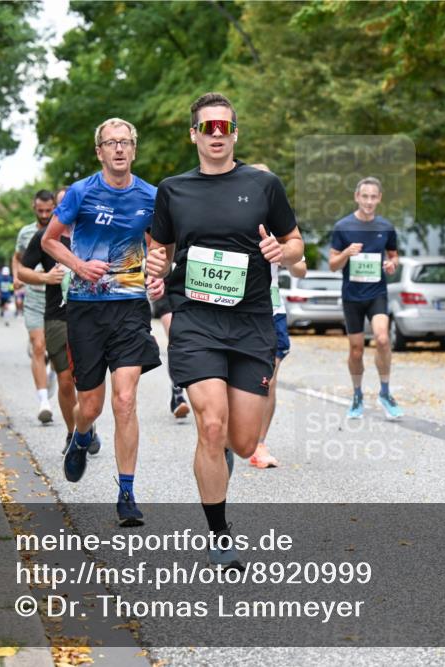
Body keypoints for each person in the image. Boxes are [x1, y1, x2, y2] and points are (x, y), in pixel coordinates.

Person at [147, 93, 303, 568]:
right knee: (210, 423)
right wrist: (155, 262)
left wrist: (283, 252)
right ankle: (219, 533)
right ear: (193, 134)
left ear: (235, 133)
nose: (217, 135)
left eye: (225, 128)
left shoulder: (263, 184)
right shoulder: (173, 190)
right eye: (207, 127)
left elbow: (296, 244)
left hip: (252, 321)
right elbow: (160, 251)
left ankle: (223, 456)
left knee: (243, 441)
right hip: (196, 320)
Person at [42, 118, 162, 528]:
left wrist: (159, 271)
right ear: (99, 152)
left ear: (134, 149)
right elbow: (50, 240)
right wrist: (78, 265)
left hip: (129, 306)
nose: (118, 149)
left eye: (125, 142)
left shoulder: (151, 196)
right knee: (90, 404)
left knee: (125, 400)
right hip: (86, 308)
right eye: (110, 143)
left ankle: (126, 492)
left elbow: (159, 246)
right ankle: (80, 436)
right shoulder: (80, 192)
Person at [18, 186, 103, 458]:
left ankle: (86, 425)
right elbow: (22, 271)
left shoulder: (93, 233)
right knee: (66, 380)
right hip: (57, 317)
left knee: (87, 380)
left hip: (91, 316)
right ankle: (72, 432)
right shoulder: (45, 237)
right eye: (62, 205)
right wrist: (45, 278)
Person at [247, 163, 308, 469]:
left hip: (271, 309)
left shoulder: (279, 223)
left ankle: (259, 444)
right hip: (236, 312)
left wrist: (283, 254)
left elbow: (301, 268)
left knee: (268, 380)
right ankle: (233, 434)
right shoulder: (231, 217)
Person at [328, 176, 403, 420]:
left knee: (382, 339)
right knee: (357, 350)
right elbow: (332, 264)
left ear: (379, 198)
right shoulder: (343, 227)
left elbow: (394, 256)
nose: (369, 201)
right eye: (365, 196)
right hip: (352, 296)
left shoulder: (386, 227)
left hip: (377, 293)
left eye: (373, 197)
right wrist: (347, 254)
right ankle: (357, 394)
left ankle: (385, 392)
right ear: (357, 197)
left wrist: (392, 265)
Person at [14, 190, 57, 424]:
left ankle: (50, 373)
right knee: (38, 346)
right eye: (39, 211)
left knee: (55, 351)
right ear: (34, 207)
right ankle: (43, 401)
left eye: (48, 211)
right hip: (34, 298)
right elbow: (18, 259)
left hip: (57, 301)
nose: (43, 215)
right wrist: (17, 276)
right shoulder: (27, 233)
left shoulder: (63, 231)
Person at [150, 291, 190, 418]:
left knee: (189, 343)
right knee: (175, 339)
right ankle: (178, 393)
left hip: (190, 289)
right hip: (165, 288)